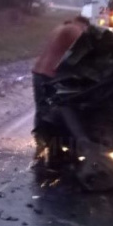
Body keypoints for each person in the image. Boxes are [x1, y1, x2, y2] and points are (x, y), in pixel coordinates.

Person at [32, 16, 90, 159]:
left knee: (42, 109)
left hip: (38, 73)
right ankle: (54, 146)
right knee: (58, 111)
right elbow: (86, 51)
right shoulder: (75, 30)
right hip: (50, 75)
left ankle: (41, 143)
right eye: (86, 29)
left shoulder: (59, 27)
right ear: (84, 25)